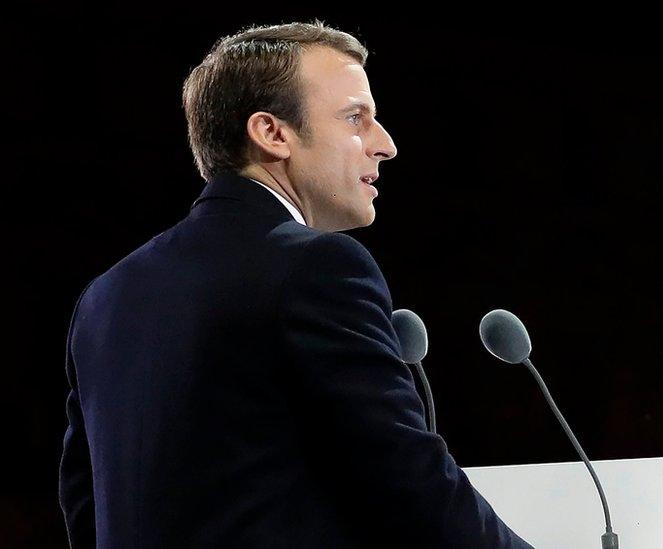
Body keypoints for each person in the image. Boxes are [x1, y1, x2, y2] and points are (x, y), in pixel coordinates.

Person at [58, 20, 533, 548]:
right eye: (357, 118)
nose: (386, 145)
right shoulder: (317, 266)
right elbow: (406, 477)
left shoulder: (105, 295)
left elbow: (86, 503)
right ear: (273, 133)